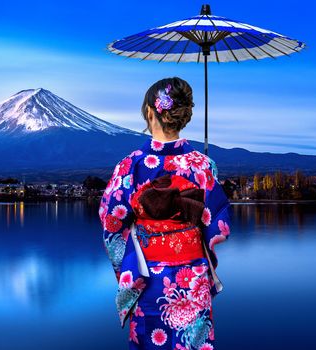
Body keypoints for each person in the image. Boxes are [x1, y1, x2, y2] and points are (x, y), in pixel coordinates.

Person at [99, 77, 232, 350]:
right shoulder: (203, 164)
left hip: (149, 277)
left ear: (150, 112)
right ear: (182, 116)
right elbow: (216, 221)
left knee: (151, 342)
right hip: (192, 276)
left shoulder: (131, 165)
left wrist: (127, 264)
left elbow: (111, 219)